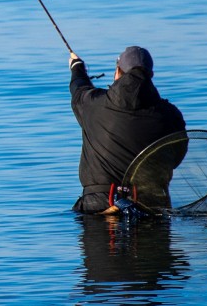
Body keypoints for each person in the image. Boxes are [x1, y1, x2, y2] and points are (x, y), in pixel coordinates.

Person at [69, 46, 186, 213]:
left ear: (118, 71)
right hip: (150, 206)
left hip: (100, 206)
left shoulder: (93, 105)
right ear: (150, 75)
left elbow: (78, 88)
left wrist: (77, 67)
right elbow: (176, 158)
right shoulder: (171, 115)